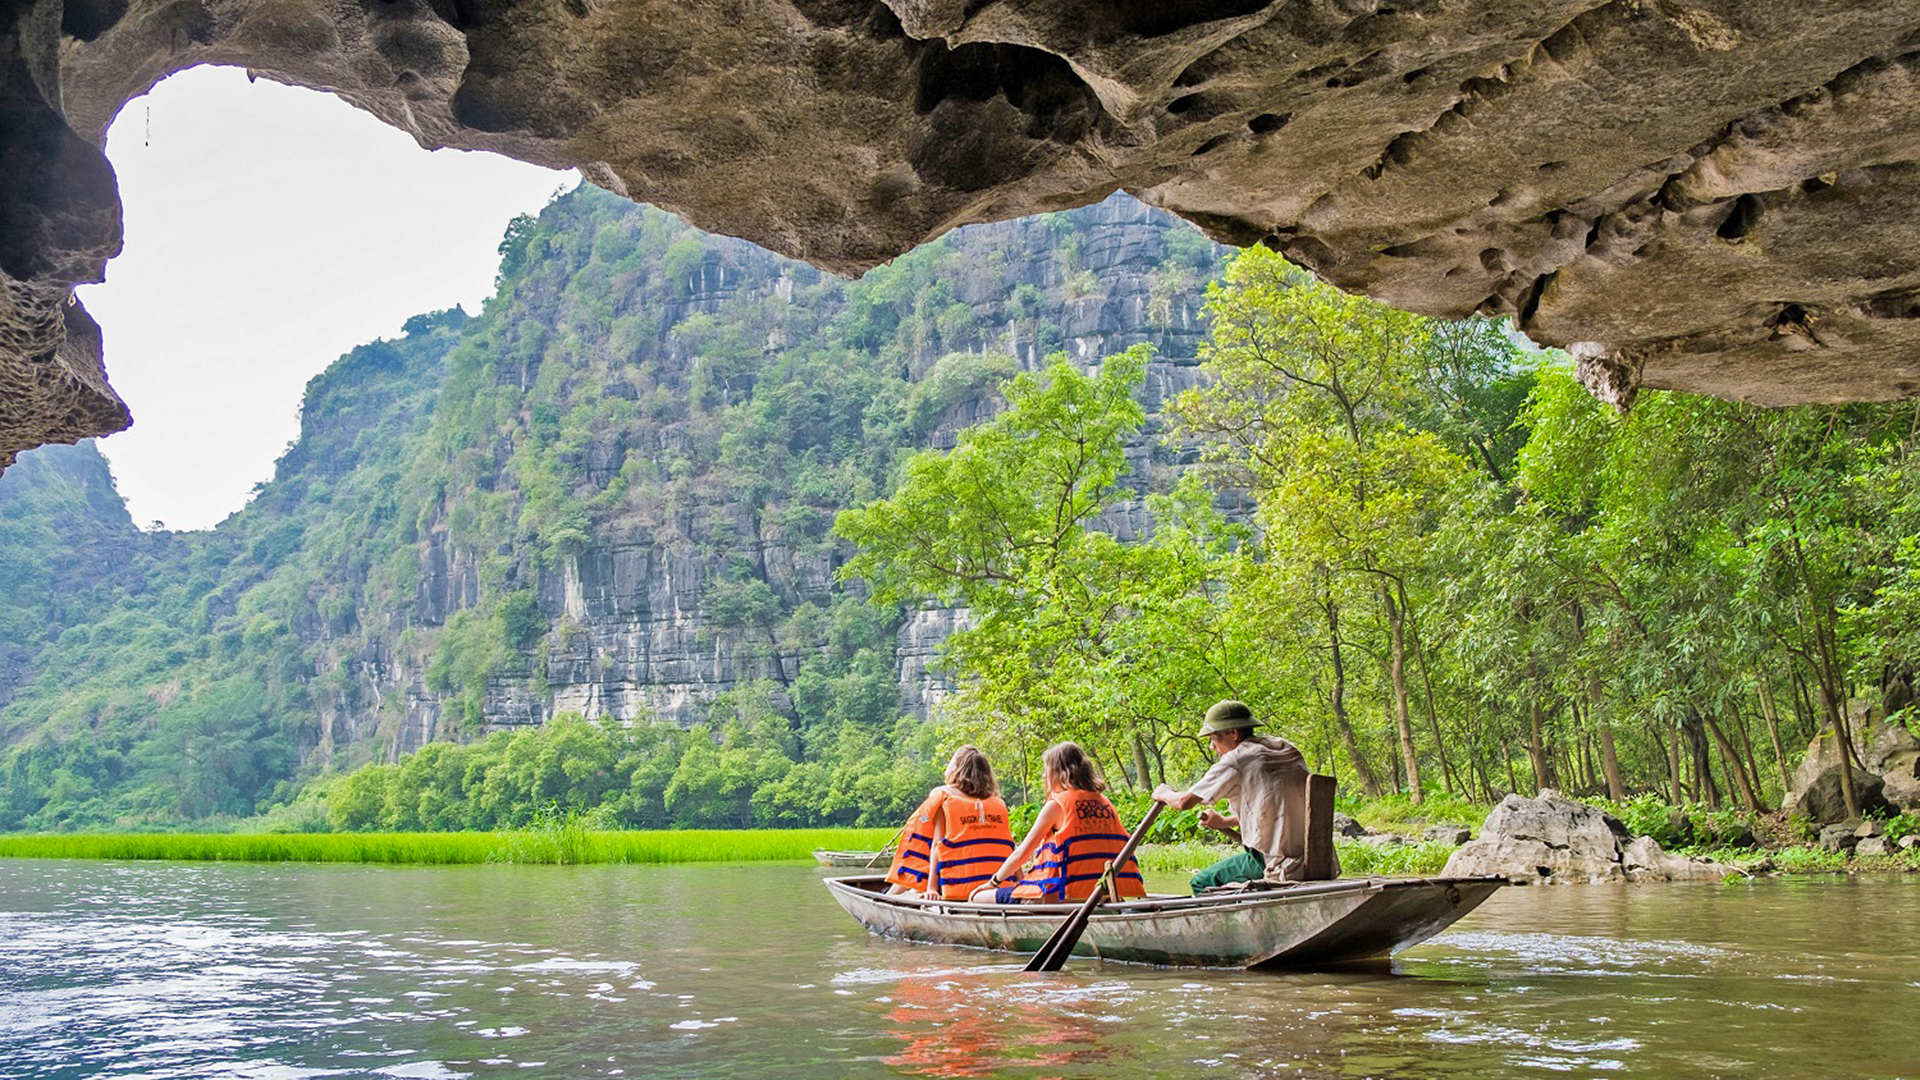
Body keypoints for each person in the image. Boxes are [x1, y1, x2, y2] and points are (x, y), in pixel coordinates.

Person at [1152, 699, 1332, 893]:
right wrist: (1224, 821)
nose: (1212, 746)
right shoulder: (1286, 748)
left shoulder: (1237, 760)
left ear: (1233, 733)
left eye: (1214, 738)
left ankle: (1233, 921)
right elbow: (1274, 808)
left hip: (1274, 860)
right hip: (1317, 857)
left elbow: (1184, 802)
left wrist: (1164, 793)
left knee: (1202, 882)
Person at [970, 741, 1146, 903]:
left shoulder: (1057, 805)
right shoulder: (1105, 803)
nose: (1043, 774)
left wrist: (993, 882)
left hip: (1058, 897)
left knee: (978, 897)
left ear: (1058, 772)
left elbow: (1021, 854)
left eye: (1046, 769)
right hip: (1102, 897)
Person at [882, 746, 1016, 900]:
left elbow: (937, 845)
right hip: (994, 886)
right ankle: (891, 895)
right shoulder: (996, 802)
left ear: (957, 769)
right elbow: (1009, 847)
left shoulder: (944, 794)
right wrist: (1020, 882)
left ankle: (887, 898)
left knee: (917, 863)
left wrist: (932, 888)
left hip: (957, 887)